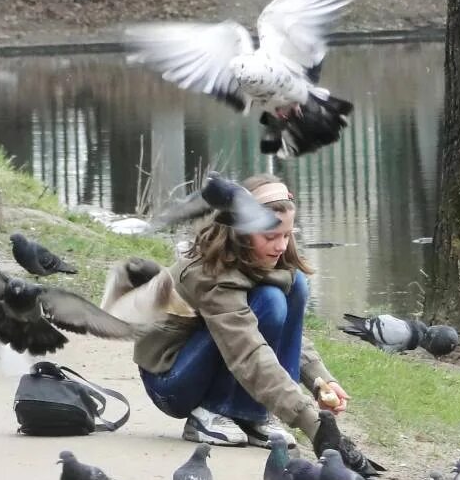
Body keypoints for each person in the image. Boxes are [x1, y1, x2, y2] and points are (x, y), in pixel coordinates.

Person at [134, 175, 349, 448]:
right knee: (270, 302)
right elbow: (246, 349)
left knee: (296, 288)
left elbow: (286, 334)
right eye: (270, 236)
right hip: (170, 382)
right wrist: (310, 420)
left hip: (218, 351)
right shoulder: (210, 273)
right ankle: (212, 411)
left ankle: (252, 415)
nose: (281, 246)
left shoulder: (268, 258)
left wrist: (320, 381)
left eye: (287, 235)